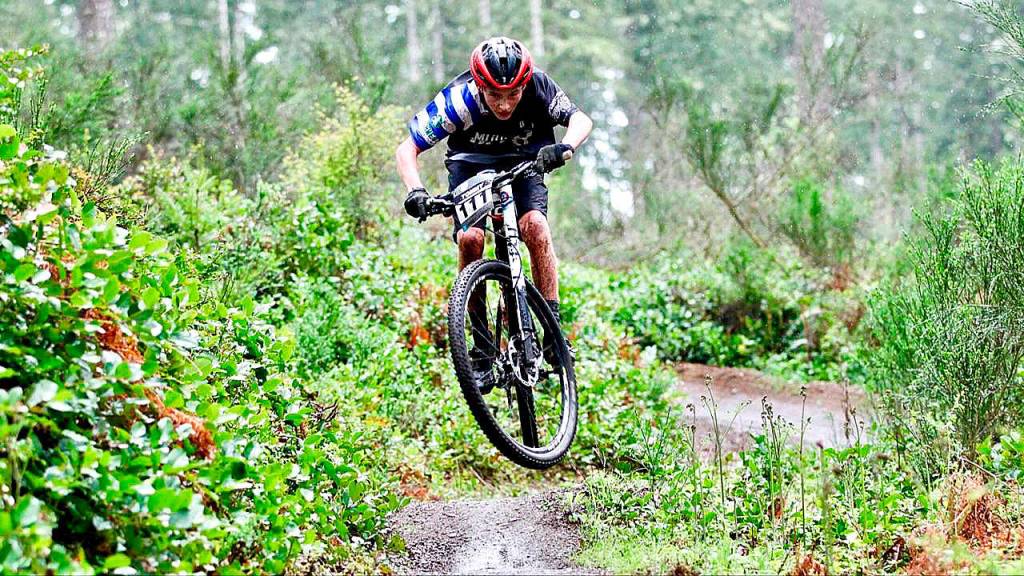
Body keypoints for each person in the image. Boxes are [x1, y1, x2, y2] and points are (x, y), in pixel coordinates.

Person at [395, 36, 592, 380]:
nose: (504, 105)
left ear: (524, 86)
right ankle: (482, 345)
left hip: (526, 160)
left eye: (512, 95)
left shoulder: (538, 87)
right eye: (495, 96)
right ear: (479, 85)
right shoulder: (458, 101)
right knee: (470, 239)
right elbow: (406, 149)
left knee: (536, 227)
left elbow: (580, 120)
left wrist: (564, 147)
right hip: (471, 164)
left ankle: (553, 334)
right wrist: (416, 191)